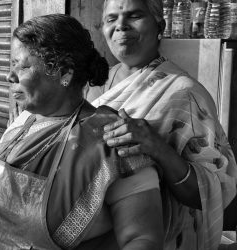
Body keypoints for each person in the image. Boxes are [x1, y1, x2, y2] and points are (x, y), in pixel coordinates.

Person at [0, 14, 164, 249]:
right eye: (12, 64)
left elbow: (143, 239)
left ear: (63, 72)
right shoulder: (25, 122)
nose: (10, 76)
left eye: (22, 66)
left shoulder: (113, 140)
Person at [84, 0, 237, 249]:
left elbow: (212, 194)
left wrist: (158, 148)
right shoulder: (91, 85)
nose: (121, 26)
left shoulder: (185, 95)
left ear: (160, 26)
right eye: (111, 19)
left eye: (133, 16)